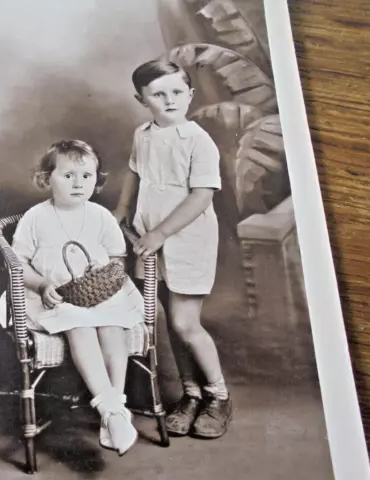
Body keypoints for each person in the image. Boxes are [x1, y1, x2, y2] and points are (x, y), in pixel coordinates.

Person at [0, 139, 144, 455]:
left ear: (96, 180)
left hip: (99, 292)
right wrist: (40, 285)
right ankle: (112, 410)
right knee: (78, 324)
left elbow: (118, 258)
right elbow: (18, 262)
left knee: (113, 326)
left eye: (86, 176)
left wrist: (102, 268)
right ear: (47, 179)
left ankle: (112, 409)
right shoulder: (36, 217)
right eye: (68, 176)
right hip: (57, 296)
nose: (79, 184)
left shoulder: (100, 216)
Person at [113, 59, 233, 439]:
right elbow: (134, 171)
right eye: (158, 94)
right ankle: (191, 394)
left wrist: (161, 233)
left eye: (177, 92)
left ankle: (218, 394)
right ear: (141, 99)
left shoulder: (199, 140)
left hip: (184, 239)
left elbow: (201, 197)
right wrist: (121, 208)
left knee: (185, 323)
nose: (169, 100)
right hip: (148, 238)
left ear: (190, 95)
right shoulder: (143, 134)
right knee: (168, 321)